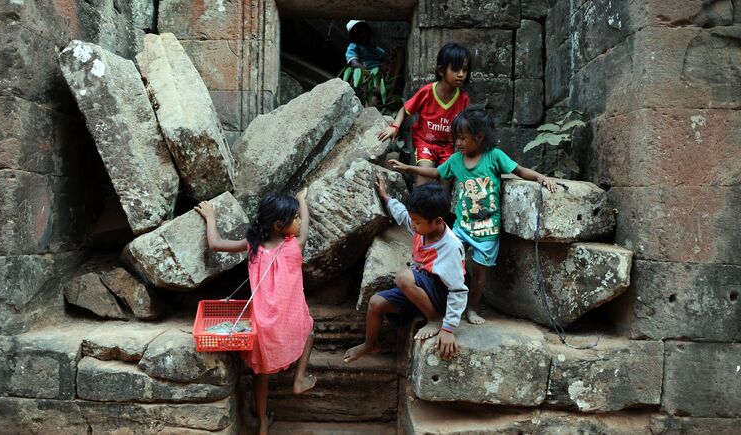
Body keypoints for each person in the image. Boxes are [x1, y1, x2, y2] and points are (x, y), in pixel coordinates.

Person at [388, 105, 558, 325]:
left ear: (479, 136)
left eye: (461, 138)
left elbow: (520, 171)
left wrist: (541, 178)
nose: (457, 143)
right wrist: (409, 168)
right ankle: (439, 301)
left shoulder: (494, 156)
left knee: (479, 274)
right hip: (461, 227)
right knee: (446, 263)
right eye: (455, 138)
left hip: (487, 231)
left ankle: (473, 308)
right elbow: (437, 172)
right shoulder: (457, 160)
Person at [195, 190, 316, 435]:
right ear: (279, 225)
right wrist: (303, 199)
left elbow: (216, 244)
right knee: (310, 331)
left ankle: (262, 425)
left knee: (262, 374)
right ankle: (299, 379)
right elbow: (306, 227)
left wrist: (210, 218)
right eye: (295, 217)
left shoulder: (254, 246)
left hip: (262, 325)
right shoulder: (295, 246)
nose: (299, 220)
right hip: (291, 321)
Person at [343, 178, 468, 364]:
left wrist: (448, 329)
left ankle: (434, 319)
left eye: (417, 222)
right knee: (376, 303)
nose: (413, 225)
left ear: (438, 221)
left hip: (440, 297)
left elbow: (458, 290)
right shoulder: (422, 228)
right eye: (413, 221)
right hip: (419, 291)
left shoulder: (450, 247)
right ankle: (370, 343)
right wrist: (386, 197)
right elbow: (401, 214)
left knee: (403, 275)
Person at [378, 42, 472, 186]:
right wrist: (395, 127)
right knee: (424, 174)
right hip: (425, 142)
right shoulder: (427, 92)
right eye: (455, 69)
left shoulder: (464, 99)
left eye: (464, 70)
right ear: (441, 71)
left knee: (446, 179)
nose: (461, 74)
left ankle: (442, 208)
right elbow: (405, 109)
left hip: (448, 146)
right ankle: (418, 206)